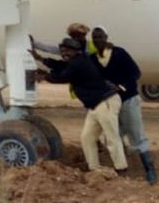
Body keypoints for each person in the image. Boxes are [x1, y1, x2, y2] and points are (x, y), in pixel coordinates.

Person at [34, 38, 128, 174]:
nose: (64, 54)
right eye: (62, 51)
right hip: (96, 105)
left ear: (75, 51)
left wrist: (43, 76)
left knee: (112, 138)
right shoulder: (76, 61)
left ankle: (121, 169)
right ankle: (94, 168)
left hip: (105, 102)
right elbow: (60, 66)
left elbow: (62, 76)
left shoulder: (78, 63)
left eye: (67, 51)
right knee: (87, 137)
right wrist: (41, 59)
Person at [90, 26, 157, 185]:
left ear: (106, 37)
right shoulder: (93, 59)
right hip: (110, 103)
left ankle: (150, 170)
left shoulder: (119, 53)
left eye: (100, 37)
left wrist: (120, 86)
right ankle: (122, 168)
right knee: (113, 135)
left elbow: (135, 73)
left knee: (136, 133)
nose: (98, 40)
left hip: (127, 99)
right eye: (95, 37)